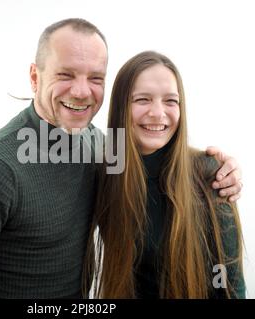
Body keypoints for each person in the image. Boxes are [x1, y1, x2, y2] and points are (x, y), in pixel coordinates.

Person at [0, 19, 243, 299]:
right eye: (66, 75)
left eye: (95, 78)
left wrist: (212, 168)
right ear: (34, 77)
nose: (82, 91)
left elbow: (152, 159)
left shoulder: (100, 146)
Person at [85, 51, 245, 299]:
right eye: (142, 99)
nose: (158, 113)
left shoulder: (211, 175)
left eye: (170, 101)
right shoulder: (105, 173)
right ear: (121, 107)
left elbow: (230, 284)